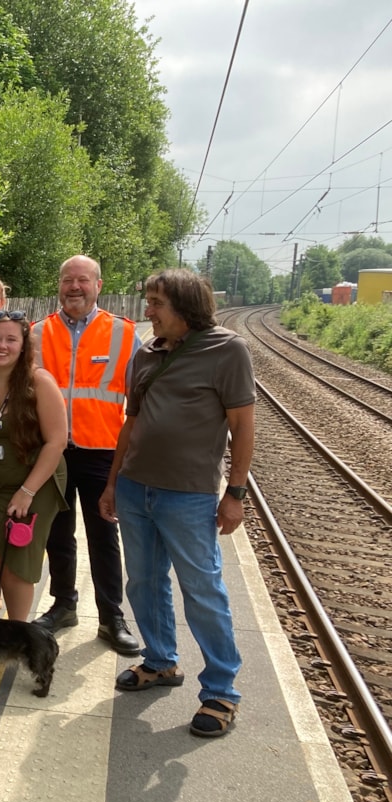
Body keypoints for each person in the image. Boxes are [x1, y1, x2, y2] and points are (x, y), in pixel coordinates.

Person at [99, 268, 255, 737]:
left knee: (202, 591)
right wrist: (112, 484)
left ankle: (221, 692)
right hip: (135, 488)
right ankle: (161, 661)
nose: (147, 311)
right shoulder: (147, 352)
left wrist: (235, 493)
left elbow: (242, 427)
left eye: (156, 303)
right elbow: (131, 421)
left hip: (188, 495)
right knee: (144, 584)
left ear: (186, 306)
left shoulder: (227, 350)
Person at [31, 255, 141, 655]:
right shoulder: (37, 333)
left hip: (103, 452)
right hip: (53, 452)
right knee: (57, 533)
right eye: (66, 280)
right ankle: (63, 605)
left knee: (103, 535)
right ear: (58, 285)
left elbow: (140, 401)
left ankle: (112, 616)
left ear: (98, 284)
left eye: (82, 280)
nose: (74, 287)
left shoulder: (124, 334)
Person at [0, 310, 68, 621]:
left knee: (14, 560)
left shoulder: (39, 383)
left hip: (34, 483)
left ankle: (17, 634)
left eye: (10, 339)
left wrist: (26, 492)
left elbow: (56, 442)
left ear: (23, 345)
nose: (2, 346)